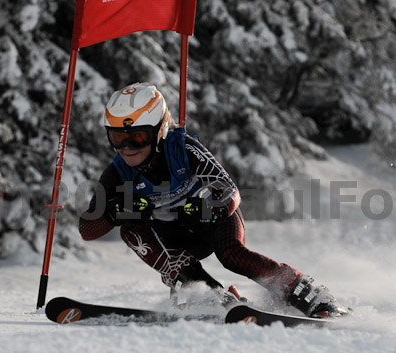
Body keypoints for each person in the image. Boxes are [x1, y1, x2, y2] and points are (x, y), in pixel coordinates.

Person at [79, 82, 345, 318]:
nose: (126, 148)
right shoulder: (118, 172)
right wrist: (114, 212)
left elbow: (229, 192)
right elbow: (87, 229)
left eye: (137, 137)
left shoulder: (183, 150)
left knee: (231, 255)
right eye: (117, 138)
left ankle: (307, 293)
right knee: (130, 229)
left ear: (159, 130)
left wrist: (207, 209)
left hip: (211, 222)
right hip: (176, 238)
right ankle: (209, 295)